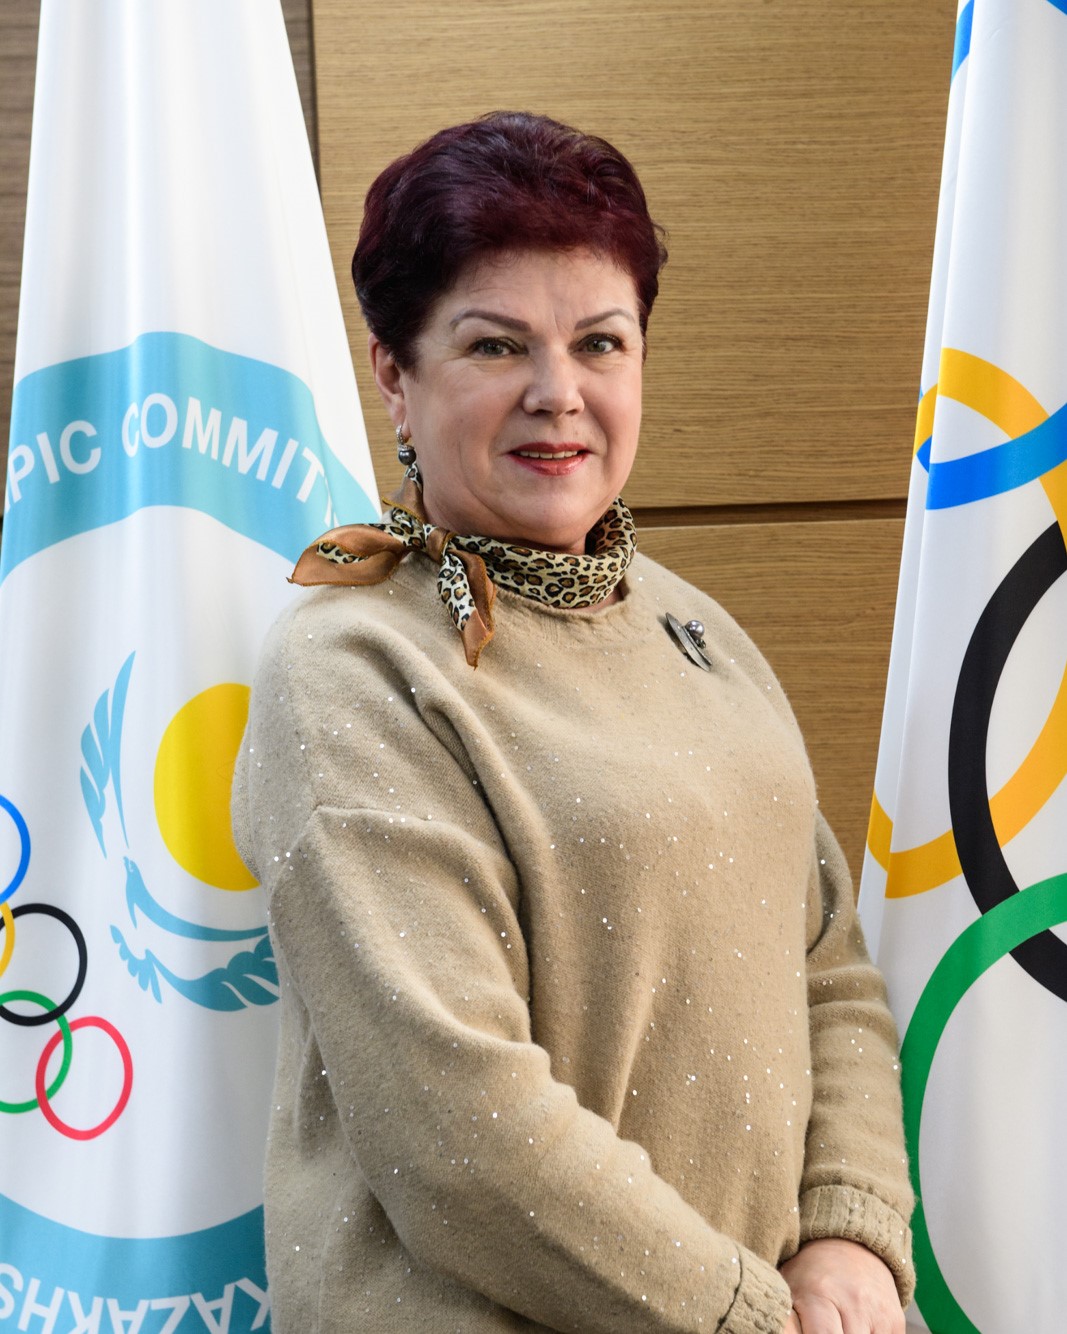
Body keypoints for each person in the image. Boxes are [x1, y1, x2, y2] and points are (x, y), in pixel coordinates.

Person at [232, 111, 914, 1333]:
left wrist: (847, 1235)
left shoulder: (695, 626)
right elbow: (457, 1129)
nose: (558, 395)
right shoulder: (347, 669)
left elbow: (828, 966)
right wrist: (748, 1312)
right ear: (394, 375)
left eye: (599, 341)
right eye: (496, 345)